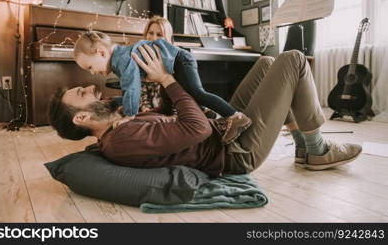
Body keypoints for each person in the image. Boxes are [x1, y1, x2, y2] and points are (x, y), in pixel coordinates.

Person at [48, 46, 362, 176]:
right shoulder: (122, 140)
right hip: (237, 150)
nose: (91, 86)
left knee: (266, 63)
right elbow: (195, 129)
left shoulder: (120, 126)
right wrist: (168, 79)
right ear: (81, 117)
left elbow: (169, 115)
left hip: (227, 128)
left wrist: (159, 74)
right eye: (81, 93)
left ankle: (304, 150)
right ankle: (316, 149)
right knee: (293, 59)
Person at [73, 19, 250, 144]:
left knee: (197, 93)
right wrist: (119, 103)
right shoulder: (120, 57)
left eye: (90, 67)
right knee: (178, 95)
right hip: (175, 62)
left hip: (181, 60)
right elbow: (134, 89)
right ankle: (205, 113)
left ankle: (236, 117)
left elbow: (131, 88)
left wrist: (129, 114)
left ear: (102, 53)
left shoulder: (121, 60)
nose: (93, 72)